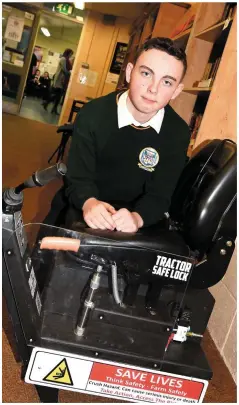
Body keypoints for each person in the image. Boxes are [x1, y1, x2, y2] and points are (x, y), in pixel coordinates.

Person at [64, 37, 191, 233]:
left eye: (167, 82)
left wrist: (137, 218)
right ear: (130, 73)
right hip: (83, 205)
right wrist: (88, 202)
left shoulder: (178, 133)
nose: (153, 89)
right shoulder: (92, 114)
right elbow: (78, 177)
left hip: (135, 217)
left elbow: (161, 195)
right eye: (147, 73)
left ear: (176, 91)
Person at [43, 48, 73, 114]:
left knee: (58, 95)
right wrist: (71, 73)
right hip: (59, 79)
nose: (71, 55)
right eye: (71, 54)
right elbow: (64, 69)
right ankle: (47, 103)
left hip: (62, 79)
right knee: (57, 94)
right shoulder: (63, 59)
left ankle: (52, 107)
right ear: (68, 53)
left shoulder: (66, 59)